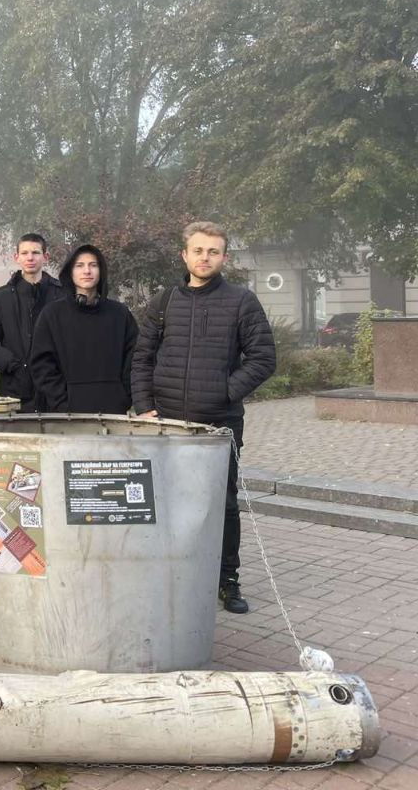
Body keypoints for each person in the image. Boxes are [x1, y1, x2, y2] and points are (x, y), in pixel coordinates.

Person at [132, 221, 276, 615]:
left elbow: (263, 359)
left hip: (218, 425)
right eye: (198, 250)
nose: (205, 257)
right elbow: (142, 358)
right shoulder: (163, 302)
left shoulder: (242, 301)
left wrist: (222, 393)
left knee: (221, 504)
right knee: (165, 500)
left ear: (224, 257)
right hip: (167, 422)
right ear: (185, 255)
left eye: (213, 251)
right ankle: (171, 574)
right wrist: (144, 406)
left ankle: (226, 580)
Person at [30, 244, 139, 414]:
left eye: (93, 265)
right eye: (79, 265)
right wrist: (62, 402)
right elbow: (42, 366)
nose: (87, 271)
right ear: (70, 272)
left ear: (101, 271)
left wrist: (123, 397)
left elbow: (134, 360)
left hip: (113, 412)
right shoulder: (52, 315)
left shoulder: (120, 314)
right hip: (67, 415)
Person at [0, 233, 64, 411]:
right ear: (16, 257)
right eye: (25, 253)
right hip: (15, 392)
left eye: (36, 252)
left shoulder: (62, 296)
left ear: (46, 257)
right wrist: (11, 363)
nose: (30, 258)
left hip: (56, 392)